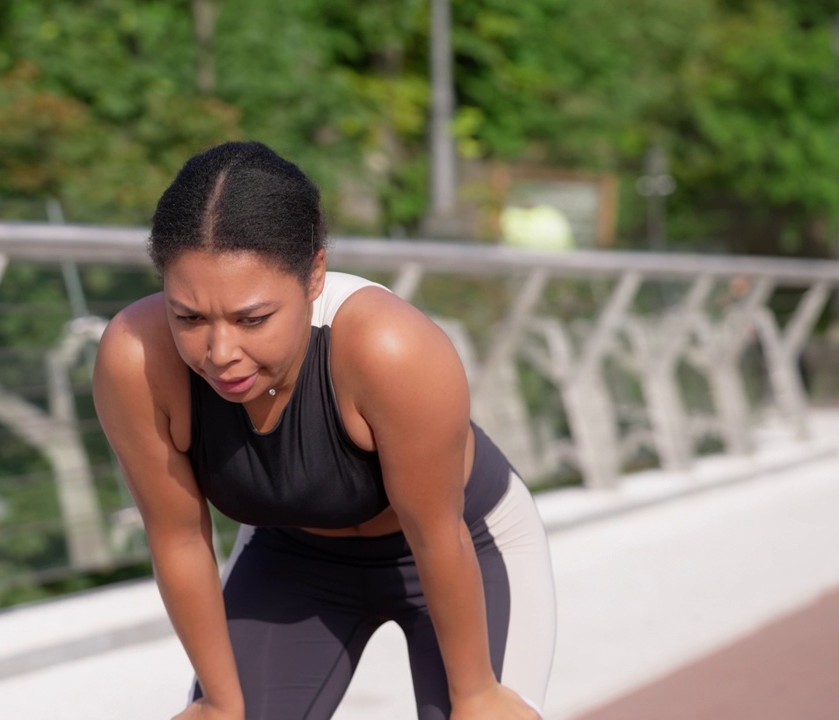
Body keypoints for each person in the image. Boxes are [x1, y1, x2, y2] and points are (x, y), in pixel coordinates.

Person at [93, 141, 557, 720]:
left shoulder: (392, 350)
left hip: (462, 545)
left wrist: (477, 696)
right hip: (291, 554)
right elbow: (179, 539)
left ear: (314, 273)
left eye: (252, 319)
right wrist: (217, 702)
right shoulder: (136, 359)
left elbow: (438, 536)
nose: (220, 353)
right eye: (189, 317)